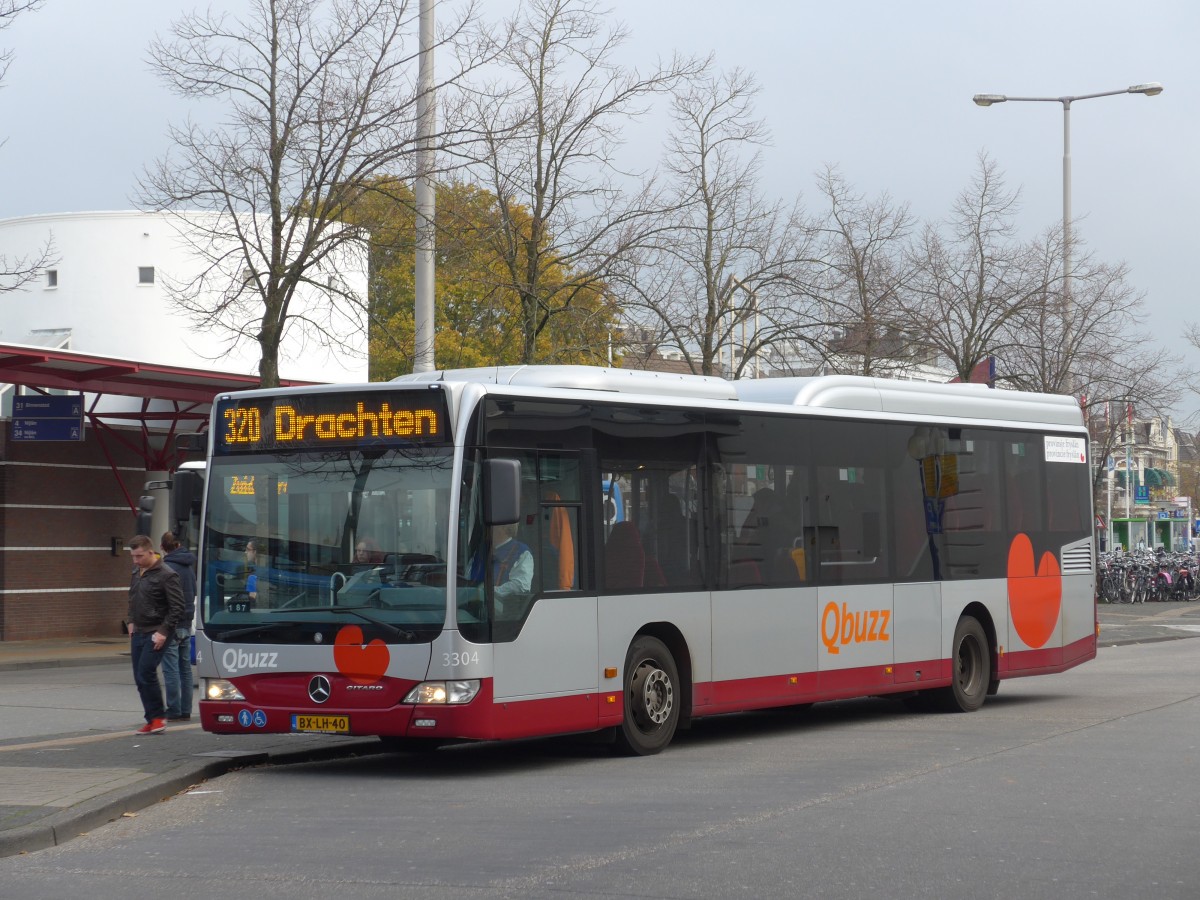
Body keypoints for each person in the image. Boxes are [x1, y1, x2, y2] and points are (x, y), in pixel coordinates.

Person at [127, 534, 186, 735]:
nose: (136, 561)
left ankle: (158, 718)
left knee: (146, 672)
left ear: (151, 552)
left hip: (157, 630)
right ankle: (151, 718)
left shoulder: (167, 574)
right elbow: (132, 597)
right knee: (139, 677)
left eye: (140, 556)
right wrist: (131, 621)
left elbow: (177, 607)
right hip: (139, 630)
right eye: (133, 556)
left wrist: (163, 631)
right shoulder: (137, 571)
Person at [159, 531, 197, 722]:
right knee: (185, 670)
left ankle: (173, 709)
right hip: (186, 624)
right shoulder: (189, 567)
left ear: (162, 548)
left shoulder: (166, 568)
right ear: (178, 545)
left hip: (171, 624)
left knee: (170, 669)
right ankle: (186, 710)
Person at [491, 522, 533, 614]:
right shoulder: (484, 549)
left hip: (504, 613)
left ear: (503, 528)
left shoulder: (521, 551)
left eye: (493, 524)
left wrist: (491, 591)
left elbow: (521, 585)